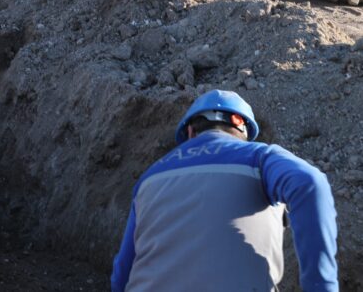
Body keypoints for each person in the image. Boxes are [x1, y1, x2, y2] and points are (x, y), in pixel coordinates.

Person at [111, 90, 338, 292]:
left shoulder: (150, 176)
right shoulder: (259, 157)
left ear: (190, 132)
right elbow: (309, 183)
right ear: (240, 124)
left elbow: (122, 272)